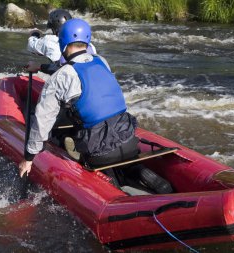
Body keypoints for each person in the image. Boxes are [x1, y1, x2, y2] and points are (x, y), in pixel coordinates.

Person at [19, 18, 172, 194]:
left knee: (99, 158)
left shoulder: (61, 77)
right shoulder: (102, 61)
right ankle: (160, 184)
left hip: (99, 151)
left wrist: (29, 157)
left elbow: (42, 120)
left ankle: (116, 193)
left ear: (62, 42)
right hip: (129, 138)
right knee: (125, 161)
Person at [26, 9, 97, 75]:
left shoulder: (49, 40)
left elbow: (31, 45)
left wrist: (34, 34)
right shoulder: (90, 46)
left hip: (63, 77)